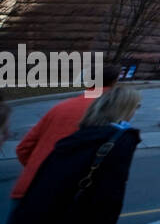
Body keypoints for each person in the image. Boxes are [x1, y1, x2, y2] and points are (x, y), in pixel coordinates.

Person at [1, 86, 141, 224]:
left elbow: (24, 148)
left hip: (31, 199)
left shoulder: (73, 126)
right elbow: (109, 198)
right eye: (137, 107)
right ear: (126, 108)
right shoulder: (120, 140)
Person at [10, 66, 120, 202]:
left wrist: (38, 169)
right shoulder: (112, 113)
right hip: (64, 195)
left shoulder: (61, 107)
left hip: (28, 186)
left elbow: (23, 148)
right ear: (114, 83)